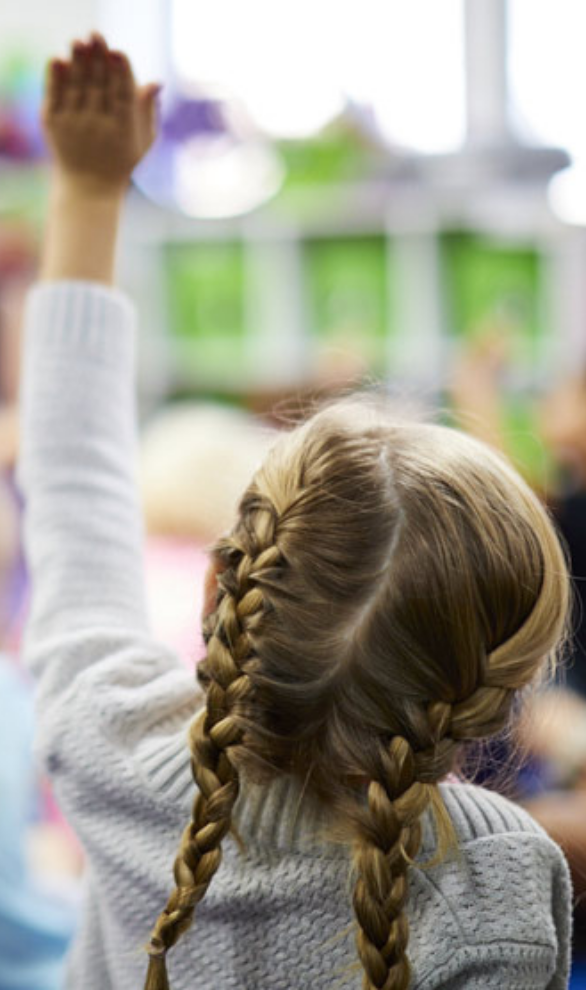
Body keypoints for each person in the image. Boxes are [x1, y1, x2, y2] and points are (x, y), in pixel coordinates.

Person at [18, 34, 573, 990]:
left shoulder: (105, 741)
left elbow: (73, 479)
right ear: (499, 690)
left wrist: (90, 193)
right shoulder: (500, 886)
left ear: (220, 589)